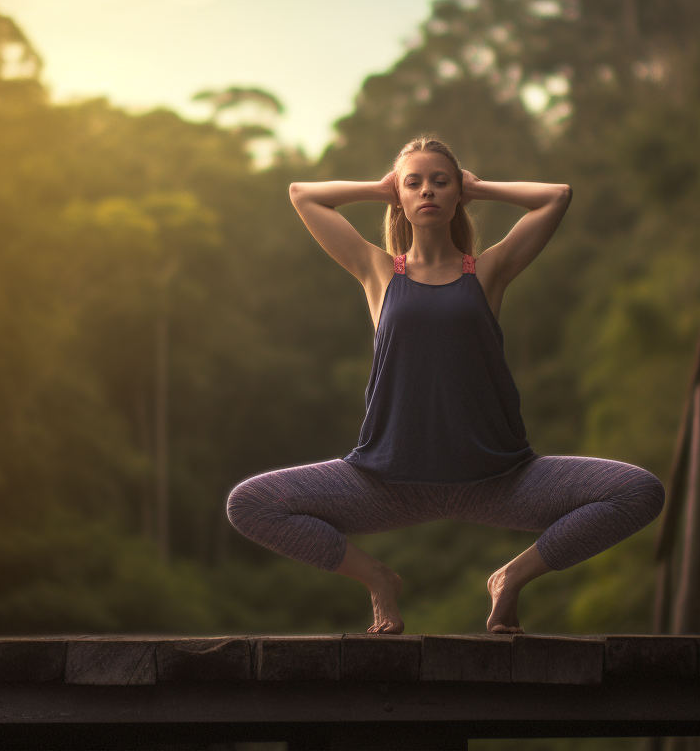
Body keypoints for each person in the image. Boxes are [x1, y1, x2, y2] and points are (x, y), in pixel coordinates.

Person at [226, 137, 663, 634]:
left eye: (441, 181)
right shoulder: (378, 272)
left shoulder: (489, 271)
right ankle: (378, 580)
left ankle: (511, 578)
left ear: (458, 194)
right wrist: (381, 187)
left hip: (498, 479)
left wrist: (480, 187)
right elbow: (303, 194)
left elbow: (556, 196)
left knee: (638, 493)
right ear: (401, 198)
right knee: (249, 504)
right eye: (414, 183)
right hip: (386, 481)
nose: (427, 191)